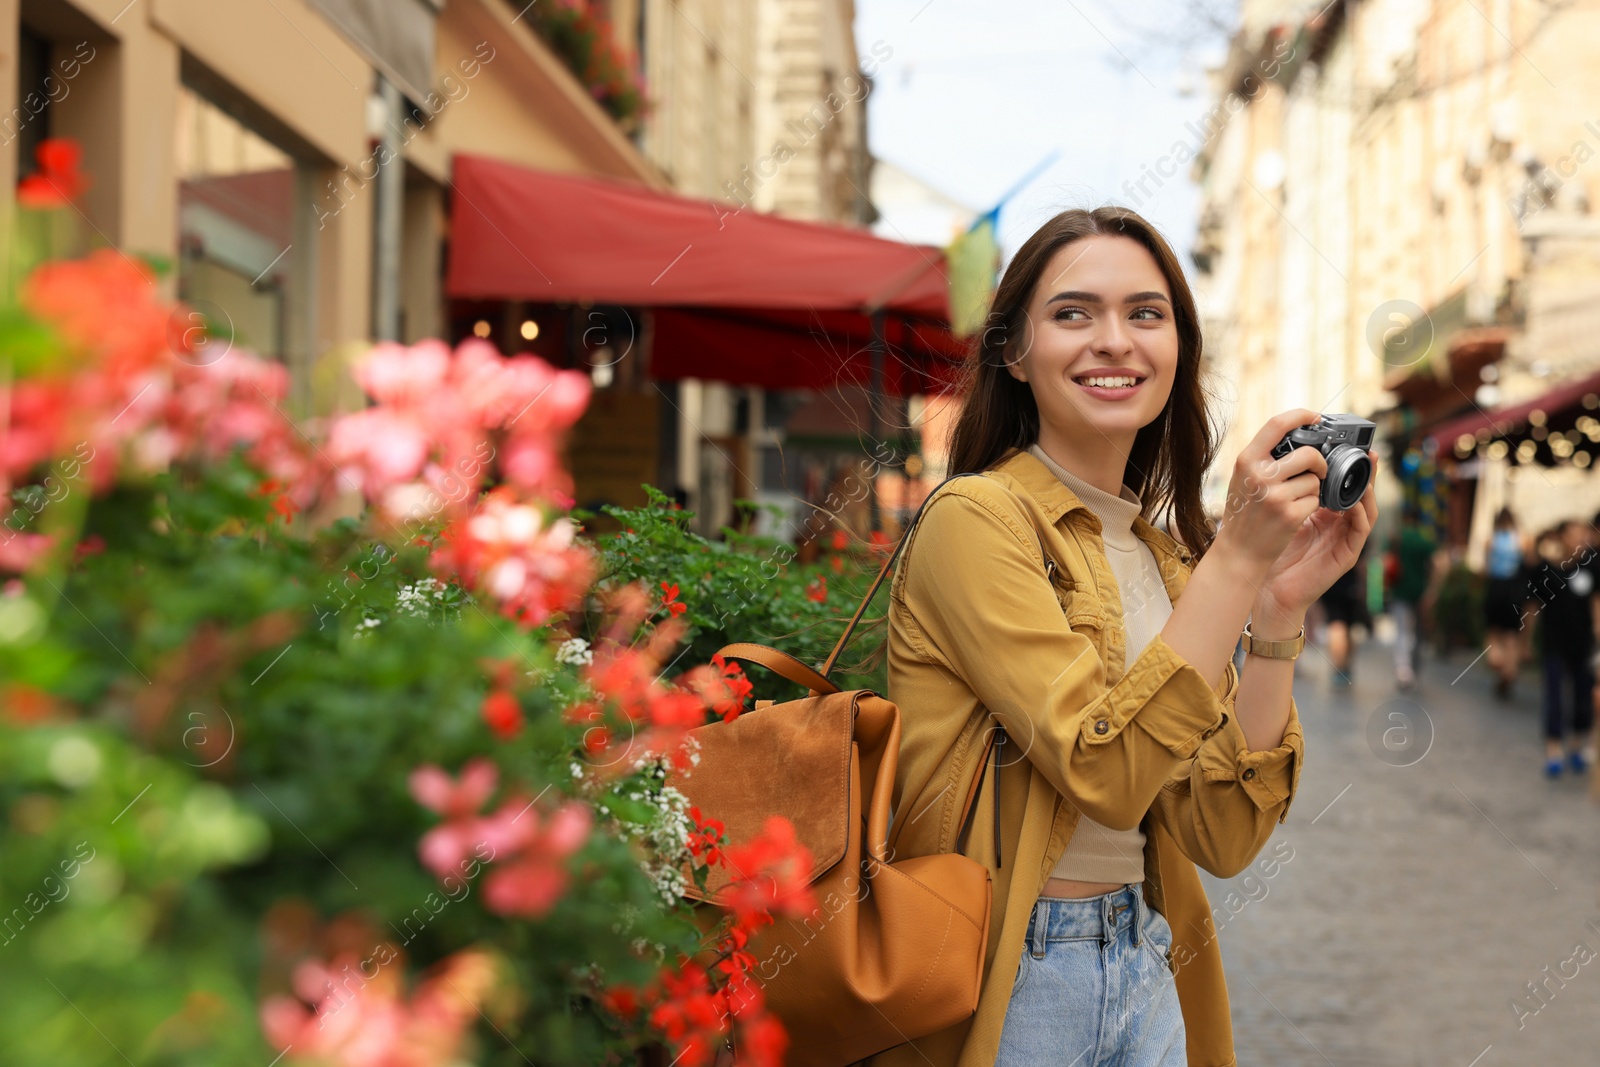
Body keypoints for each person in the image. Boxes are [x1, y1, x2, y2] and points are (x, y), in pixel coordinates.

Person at [875, 207, 1376, 1067]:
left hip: (1144, 955)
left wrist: (1277, 611)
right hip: (1011, 971)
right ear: (1013, 351)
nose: (1115, 340)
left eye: (1147, 314)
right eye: (1073, 313)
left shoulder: (1162, 555)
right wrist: (1237, 561)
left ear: (1178, 349)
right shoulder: (976, 519)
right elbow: (1102, 768)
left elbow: (1221, 834)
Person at [1529, 520, 1597, 778]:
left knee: (1583, 697)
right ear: (1562, 537)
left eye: (1583, 533)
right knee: (1554, 696)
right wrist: (1527, 642)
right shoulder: (1546, 571)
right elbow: (1532, 608)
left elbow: (1596, 603)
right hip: (1554, 643)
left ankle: (1577, 746)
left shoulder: (1592, 567)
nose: (1579, 538)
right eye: (1574, 534)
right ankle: (1553, 750)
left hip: (1583, 644)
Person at [1483, 506, 1530, 699]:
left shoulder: (1491, 541)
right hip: (1514, 589)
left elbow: (1486, 568)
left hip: (1496, 587)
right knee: (1512, 633)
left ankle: (1497, 659)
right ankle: (1510, 668)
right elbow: (1528, 565)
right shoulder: (1522, 540)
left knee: (1494, 631)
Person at [1390, 511, 1438, 689]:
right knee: (1419, 634)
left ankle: (1403, 671)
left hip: (1400, 592)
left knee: (1402, 632)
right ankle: (1415, 670)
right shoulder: (1424, 541)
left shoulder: (1397, 539)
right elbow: (1439, 563)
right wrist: (1433, 590)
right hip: (1421, 593)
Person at [1316, 546, 1368, 687]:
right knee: (1348, 628)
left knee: (1336, 626)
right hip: (1350, 587)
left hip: (1330, 585)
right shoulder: (1357, 530)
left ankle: (1338, 667)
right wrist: (1363, 587)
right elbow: (1362, 564)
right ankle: (1345, 667)